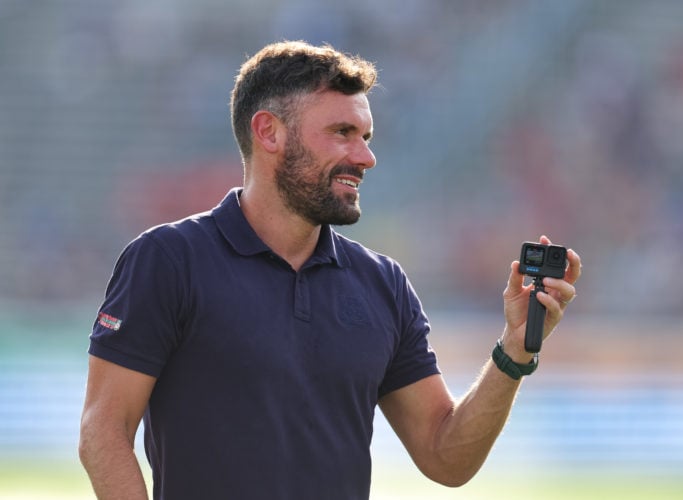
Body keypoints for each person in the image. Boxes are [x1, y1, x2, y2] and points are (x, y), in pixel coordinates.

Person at [79, 40, 581, 500]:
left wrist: (513, 352)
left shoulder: (383, 284)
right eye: (342, 133)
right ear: (268, 132)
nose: (365, 156)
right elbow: (103, 431)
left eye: (365, 135)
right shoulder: (168, 260)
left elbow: (446, 457)